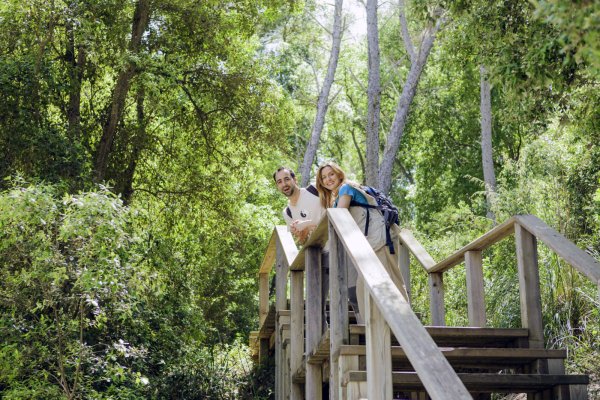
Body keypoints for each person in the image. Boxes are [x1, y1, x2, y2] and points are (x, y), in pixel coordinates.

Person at [315, 161, 408, 323]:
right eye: (324, 178)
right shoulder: (338, 196)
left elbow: (339, 214)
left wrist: (310, 224)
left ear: (339, 174)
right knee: (364, 287)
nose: (328, 179)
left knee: (391, 283)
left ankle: (406, 326)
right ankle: (377, 328)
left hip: (380, 239)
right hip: (371, 244)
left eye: (331, 174)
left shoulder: (346, 188)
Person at [273, 166, 329, 331]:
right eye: (279, 182)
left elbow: (333, 212)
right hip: (317, 255)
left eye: (286, 179)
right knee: (315, 299)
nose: (284, 184)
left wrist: (308, 223)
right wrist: (302, 233)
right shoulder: (288, 212)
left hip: (337, 247)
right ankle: (322, 339)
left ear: (294, 179)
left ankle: (363, 333)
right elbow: (302, 239)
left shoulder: (314, 190)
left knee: (349, 293)